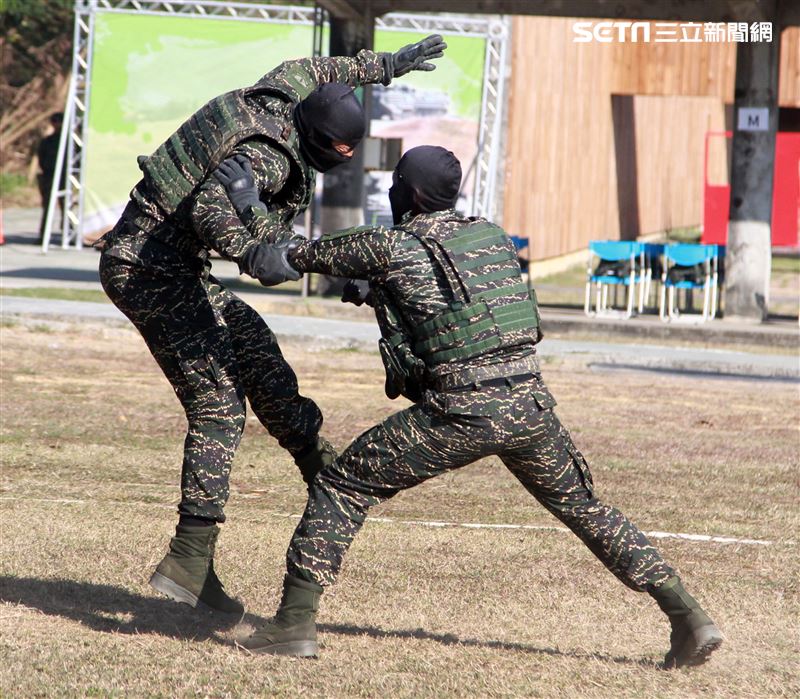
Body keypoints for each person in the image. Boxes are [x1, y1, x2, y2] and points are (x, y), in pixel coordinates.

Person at [213, 145, 723, 667]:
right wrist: (382, 293)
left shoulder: (389, 246)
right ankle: (687, 616)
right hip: (530, 406)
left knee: (342, 484)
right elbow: (455, 307)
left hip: (462, 410)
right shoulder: (492, 237)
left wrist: (247, 200)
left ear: (408, 194)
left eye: (395, 186)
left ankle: (294, 624)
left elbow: (274, 260)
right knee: (586, 510)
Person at [97, 37, 448, 615]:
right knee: (218, 408)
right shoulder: (270, 157)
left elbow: (324, 67)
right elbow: (213, 210)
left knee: (258, 351)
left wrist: (385, 68)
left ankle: (322, 470)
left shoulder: (284, 90)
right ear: (315, 145)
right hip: (147, 267)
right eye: (335, 154)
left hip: (173, 263)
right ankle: (190, 556)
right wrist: (254, 249)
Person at [36, 112, 65, 245]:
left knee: (66, 206)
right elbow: (41, 159)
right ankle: (44, 235)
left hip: (64, 177)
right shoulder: (47, 141)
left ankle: (67, 233)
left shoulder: (69, 141)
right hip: (49, 176)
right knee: (48, 207)